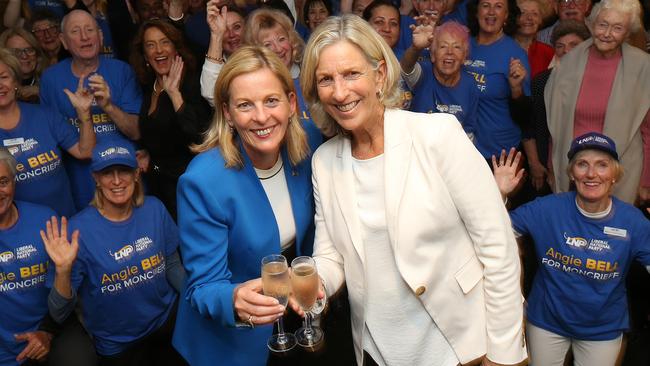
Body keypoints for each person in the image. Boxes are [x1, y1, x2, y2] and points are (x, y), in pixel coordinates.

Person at [299, 14, 526, 366]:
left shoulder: (438, 135)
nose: (339, 92)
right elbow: (330, 256)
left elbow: (498, 246)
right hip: (378, 350)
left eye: (351, 74)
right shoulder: (325, 161)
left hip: (457, 347)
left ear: (380, 75)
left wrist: (503, 353)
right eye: (326, 79)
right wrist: (313, 284)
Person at [172, 46, 321, 366]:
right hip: (230, 343)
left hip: (291, 319)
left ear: (291, 102)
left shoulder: (309, 145)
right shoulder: (204, 181)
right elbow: (203, 287)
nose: (262, 116)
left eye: (271, 100)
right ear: (227, 113)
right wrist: (233, 299)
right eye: (245, 105)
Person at [493, 133, 650, 366]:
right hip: (546, 322)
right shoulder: (547, 210)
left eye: (602, 165)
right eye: (582, 164)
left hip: (602, 330)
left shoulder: (633, 222)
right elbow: (494, 233)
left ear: (614, 175)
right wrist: (499, 194)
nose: (591, 174)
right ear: (571, 173)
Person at [43, 140, 186, 366]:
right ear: (95, 178)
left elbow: (172, 265)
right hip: (119, 345)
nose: (117, 181)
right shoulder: (76, 231)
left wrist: (197, 296)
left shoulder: (154, 209)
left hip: (166, 325)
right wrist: (63, 270)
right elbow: (59, 314)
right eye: (108, 173)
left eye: (124, 171)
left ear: (137, 173)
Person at [545, 0, 650, 205]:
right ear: (591, 24)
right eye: (603, 24)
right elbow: (556, 124)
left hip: (623, 170)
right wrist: (552, 165)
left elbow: (649, 131)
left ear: (628, 32)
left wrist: (646, 180)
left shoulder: (643, 67)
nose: (607, 33)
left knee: (613, 231)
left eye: (617, 28)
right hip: (574, 167)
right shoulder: (568, 63)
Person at [40, 9, 142, 211]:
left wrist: (108, 106)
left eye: (90, 29)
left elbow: (135, 131)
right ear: (63, 41)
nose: (85, 37)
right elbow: (51, 140)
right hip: (81, 179)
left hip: (123, 173)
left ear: (101, 35)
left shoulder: (122, 71)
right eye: (75, 31)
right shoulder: (50, 79)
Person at [130, 19, 212, 219]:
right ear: (145, 55)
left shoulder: (192, 83)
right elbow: (155, 130)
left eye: (165, 42)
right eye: (151, 45)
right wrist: (148, 152)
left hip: (191, 186)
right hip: (160, 183)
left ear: (176, 48)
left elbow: (201, 138)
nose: (159, 50)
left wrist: (175, 95)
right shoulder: (150, 86)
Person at [0, 49, 95, 218]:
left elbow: (85, 152)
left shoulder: (45, 115)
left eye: (3, 77)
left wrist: (84, 113)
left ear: (15, 81)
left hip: (65, 221)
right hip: (19, 233)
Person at [0, 148, 56, 366]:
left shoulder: (45, 219)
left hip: (51, 331)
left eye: (3, 181)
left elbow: (64, 291)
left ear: (14, 182)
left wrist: (47, 332)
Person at [523, 19, 590, 193]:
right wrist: (536, 163)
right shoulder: (541, 81)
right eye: (560, 46)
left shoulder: (596, 82)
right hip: (551, 167)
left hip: (590, 164)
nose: (566, 50)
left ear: (587, 48)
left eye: (573, 45)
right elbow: (530, 126)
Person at [465, 0, 531, 161]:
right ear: (476, 11)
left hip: (500, 152)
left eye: (499, 6)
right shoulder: (462, 45)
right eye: (486, 5)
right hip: (464, 149)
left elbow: (526, 118)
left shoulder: (515, 54)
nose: (491, 12)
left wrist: (516, 90)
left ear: (507, 15)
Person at [401, 20, 478, 140]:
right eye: (443, 46)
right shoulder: (424, 73)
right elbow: (406, 68)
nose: (449, 52)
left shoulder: (470, 84)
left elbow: (468, 131)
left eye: (457, 47)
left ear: (464, 57)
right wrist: (416, 48)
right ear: (432, 55)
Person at [200, 3, 246, 107]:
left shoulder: (262, 57)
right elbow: (210, 94)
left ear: (247, 28)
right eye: (224, 30)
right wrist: (216, 34)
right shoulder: (218, 67)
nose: (231, 34)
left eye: (237, 27)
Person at [0, 28, 48, 103]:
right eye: (16, 52)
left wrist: (43, 92)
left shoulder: (49, 80)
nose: (24, 56)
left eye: (29, 50)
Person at [514, 0, 554, 78]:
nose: (529, 17)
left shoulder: (549, 53)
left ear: (540, 20)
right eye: (523, 12)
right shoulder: (502, 47)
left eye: (535, 14)